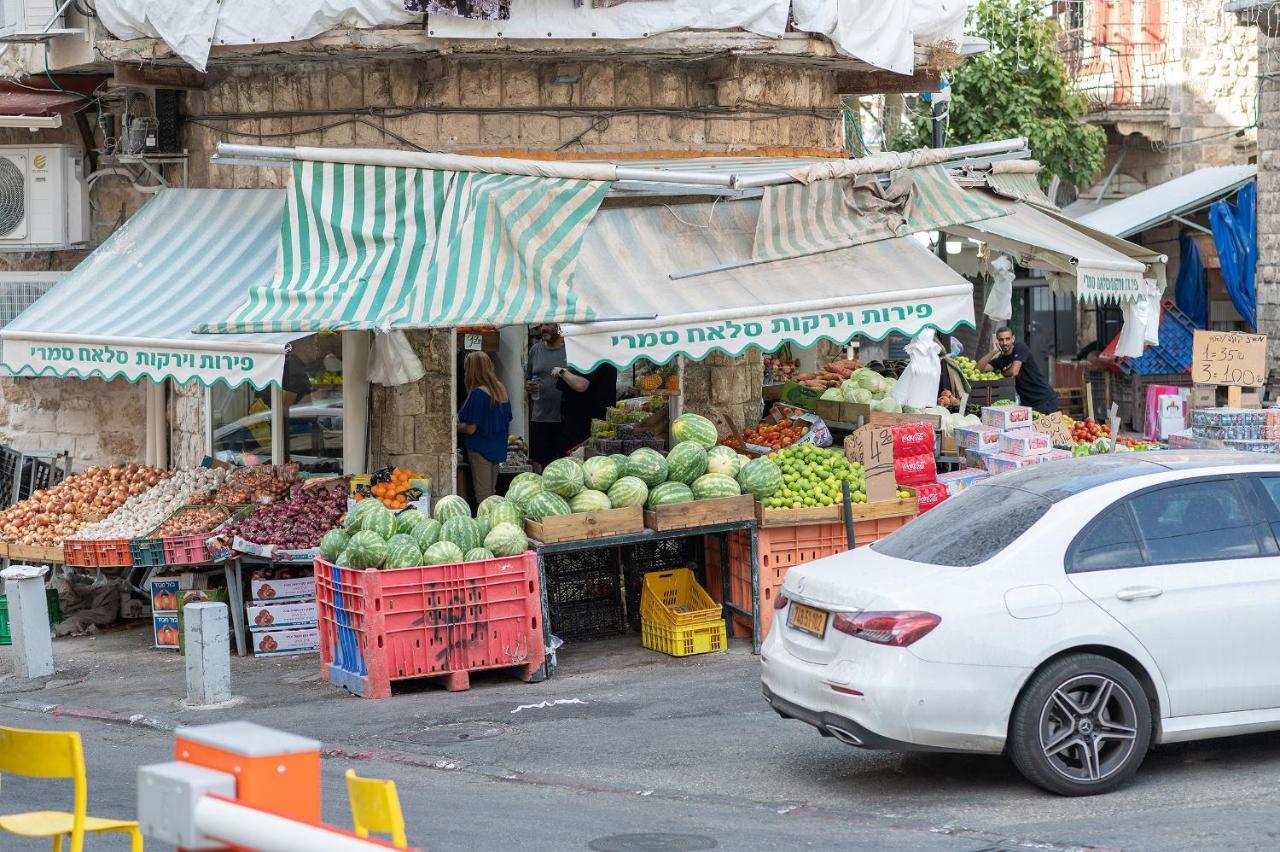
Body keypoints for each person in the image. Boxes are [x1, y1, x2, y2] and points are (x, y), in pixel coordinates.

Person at [457, 351, 512, 503]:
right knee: (491, 492)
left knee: (483, 496)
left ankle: (486, 524)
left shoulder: (478, 393)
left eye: (467, 368)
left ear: (472, 370)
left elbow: (471, 428)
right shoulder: (501, 388)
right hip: (497, 448)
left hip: (480, 449)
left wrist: (455, 426)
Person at [977, 327, 1060, 414]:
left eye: (1007, 339)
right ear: (997, 341)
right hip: (1027, 403)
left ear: (1013, 339)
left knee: (1044, 428)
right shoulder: (1001, 360)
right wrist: (993, 352)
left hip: (1044, 400)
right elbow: (978, 369)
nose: (1004, 343)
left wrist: (1002, 373)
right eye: (1001, 340)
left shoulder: (1020, 348)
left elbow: (1014, 371)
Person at [524, 323, 567, 469]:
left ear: (558, 326)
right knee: (541, 463)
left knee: (563, 464)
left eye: (547, 324)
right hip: (540, 417)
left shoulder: (569, 350)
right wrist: (528, 385)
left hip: (565, 417)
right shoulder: (535, 350)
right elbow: (528, 377)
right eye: (541, 325)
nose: (543, 328)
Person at [554, 362, 618, 455]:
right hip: (589, 423)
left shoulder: (594, 358)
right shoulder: (601, 357)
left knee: (585, 459)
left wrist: (562, 372)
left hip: (586, 425)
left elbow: (580, 385)